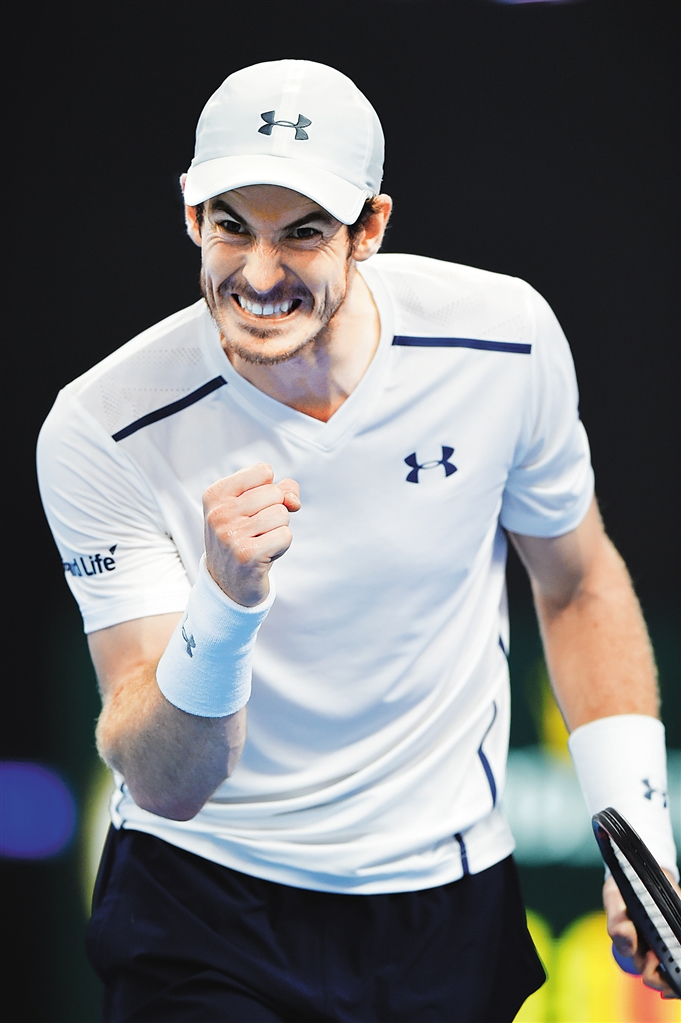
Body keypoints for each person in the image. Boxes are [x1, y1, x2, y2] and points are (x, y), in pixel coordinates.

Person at [38, 60, 678, 1021]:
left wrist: (638, 844)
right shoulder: (102, 425)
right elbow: (168, 784)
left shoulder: (505, 338)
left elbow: (577, 584)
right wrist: (224, 603)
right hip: (202, 905)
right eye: (231, 227)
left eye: (301, 232)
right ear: (190, 214)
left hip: (447, 904)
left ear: (369, 228)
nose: (259, 274)